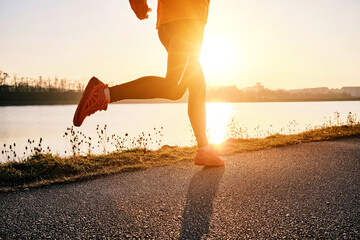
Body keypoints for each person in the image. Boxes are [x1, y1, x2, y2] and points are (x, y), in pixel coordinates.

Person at [73, 0, 224, 166]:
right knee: (173, 88)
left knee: (197, 84)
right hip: (186, 20)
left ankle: (205, 150)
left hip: (179, 20)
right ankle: (103, 94)